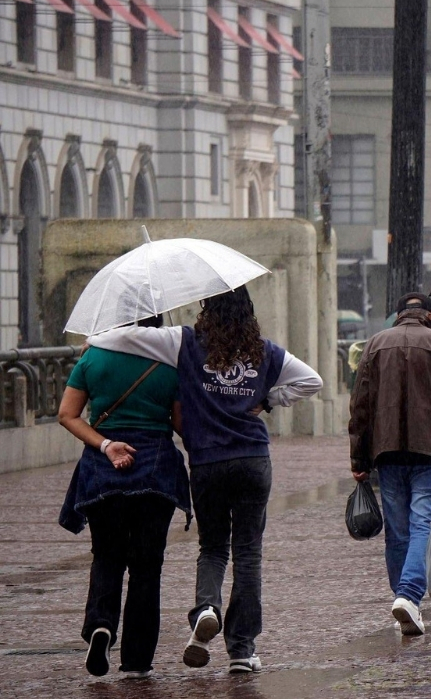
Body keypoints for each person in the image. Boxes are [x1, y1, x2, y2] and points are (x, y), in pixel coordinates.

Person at [86, 287, 322, 673]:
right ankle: (242, 650)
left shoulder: (184, 342)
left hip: (208, 461)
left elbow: (123, 337)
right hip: (252, 459)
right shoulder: (266, 351)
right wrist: (269, 400)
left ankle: (206, 609)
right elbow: (312, 381)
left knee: (213, 546)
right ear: (249, 311)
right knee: (248, 552)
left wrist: (94, 338)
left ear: (205, 309)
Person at [58, 314, 190, 680]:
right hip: (156, 469)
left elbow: (67, 415)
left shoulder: (93, 356)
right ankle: (136, 660)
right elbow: (179, 423)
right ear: (157, 320)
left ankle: (101, 626)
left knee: (107, 555)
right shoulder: (169, 360)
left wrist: (105, 443)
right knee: (147, 566)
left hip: (103, 469)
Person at [349, 293, 431, 636]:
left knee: (398, 531)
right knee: (422, 521)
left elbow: (361, 405)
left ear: (398, 316)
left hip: (387, 449)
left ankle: (404, 598)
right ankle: (409, 596)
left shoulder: (375, 344)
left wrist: (359, 458)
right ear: (429, 314)